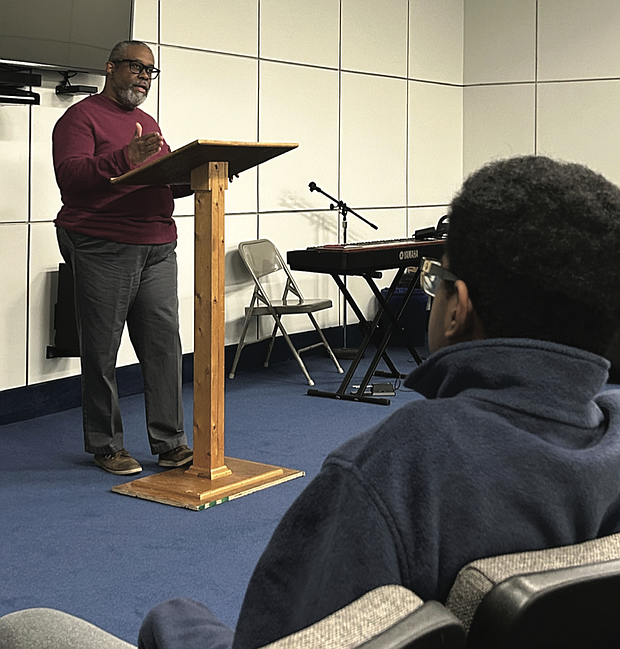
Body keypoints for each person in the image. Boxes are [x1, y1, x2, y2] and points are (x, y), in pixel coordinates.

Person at [2, 155, 620, 647]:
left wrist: (174, 623)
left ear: (456, 310)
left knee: (33, 628)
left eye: (435, 281)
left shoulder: (404, 466)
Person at [52, 40, 193, 475]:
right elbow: (70, 176)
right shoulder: (80, 117)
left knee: (163, 345)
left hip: (156, 244)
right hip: (102, 242)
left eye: (151, 71)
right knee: (102, 347)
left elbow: (160, 181)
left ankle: (170, 442)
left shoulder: (147, 122)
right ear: (110, 68)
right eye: (136, 67)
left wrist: (203, 176)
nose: (144, 77)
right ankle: (106, 444)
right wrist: (123, 159)